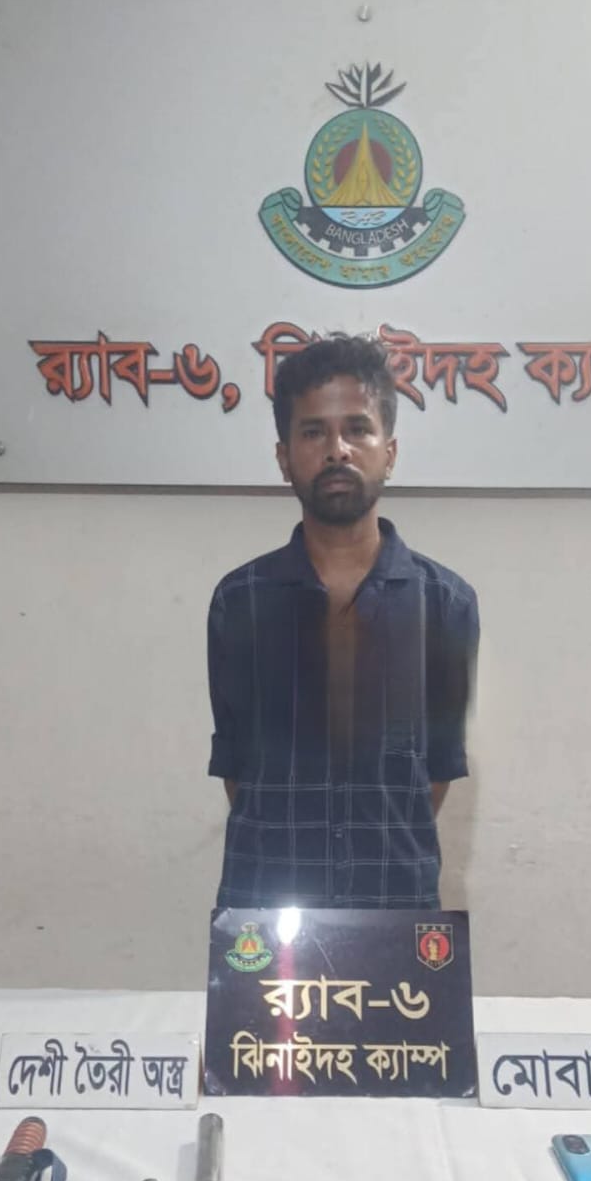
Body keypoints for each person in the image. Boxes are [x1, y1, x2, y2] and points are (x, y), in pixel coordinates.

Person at [207, 333, 479, 909]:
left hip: (395, 906)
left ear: (390, 452)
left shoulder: (446, 605)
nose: (337, 451)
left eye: (357, 429)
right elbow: (238, 770)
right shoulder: (240, 602)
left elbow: (435, 773)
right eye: (313, 432)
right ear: (284, 458)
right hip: (266, 909)